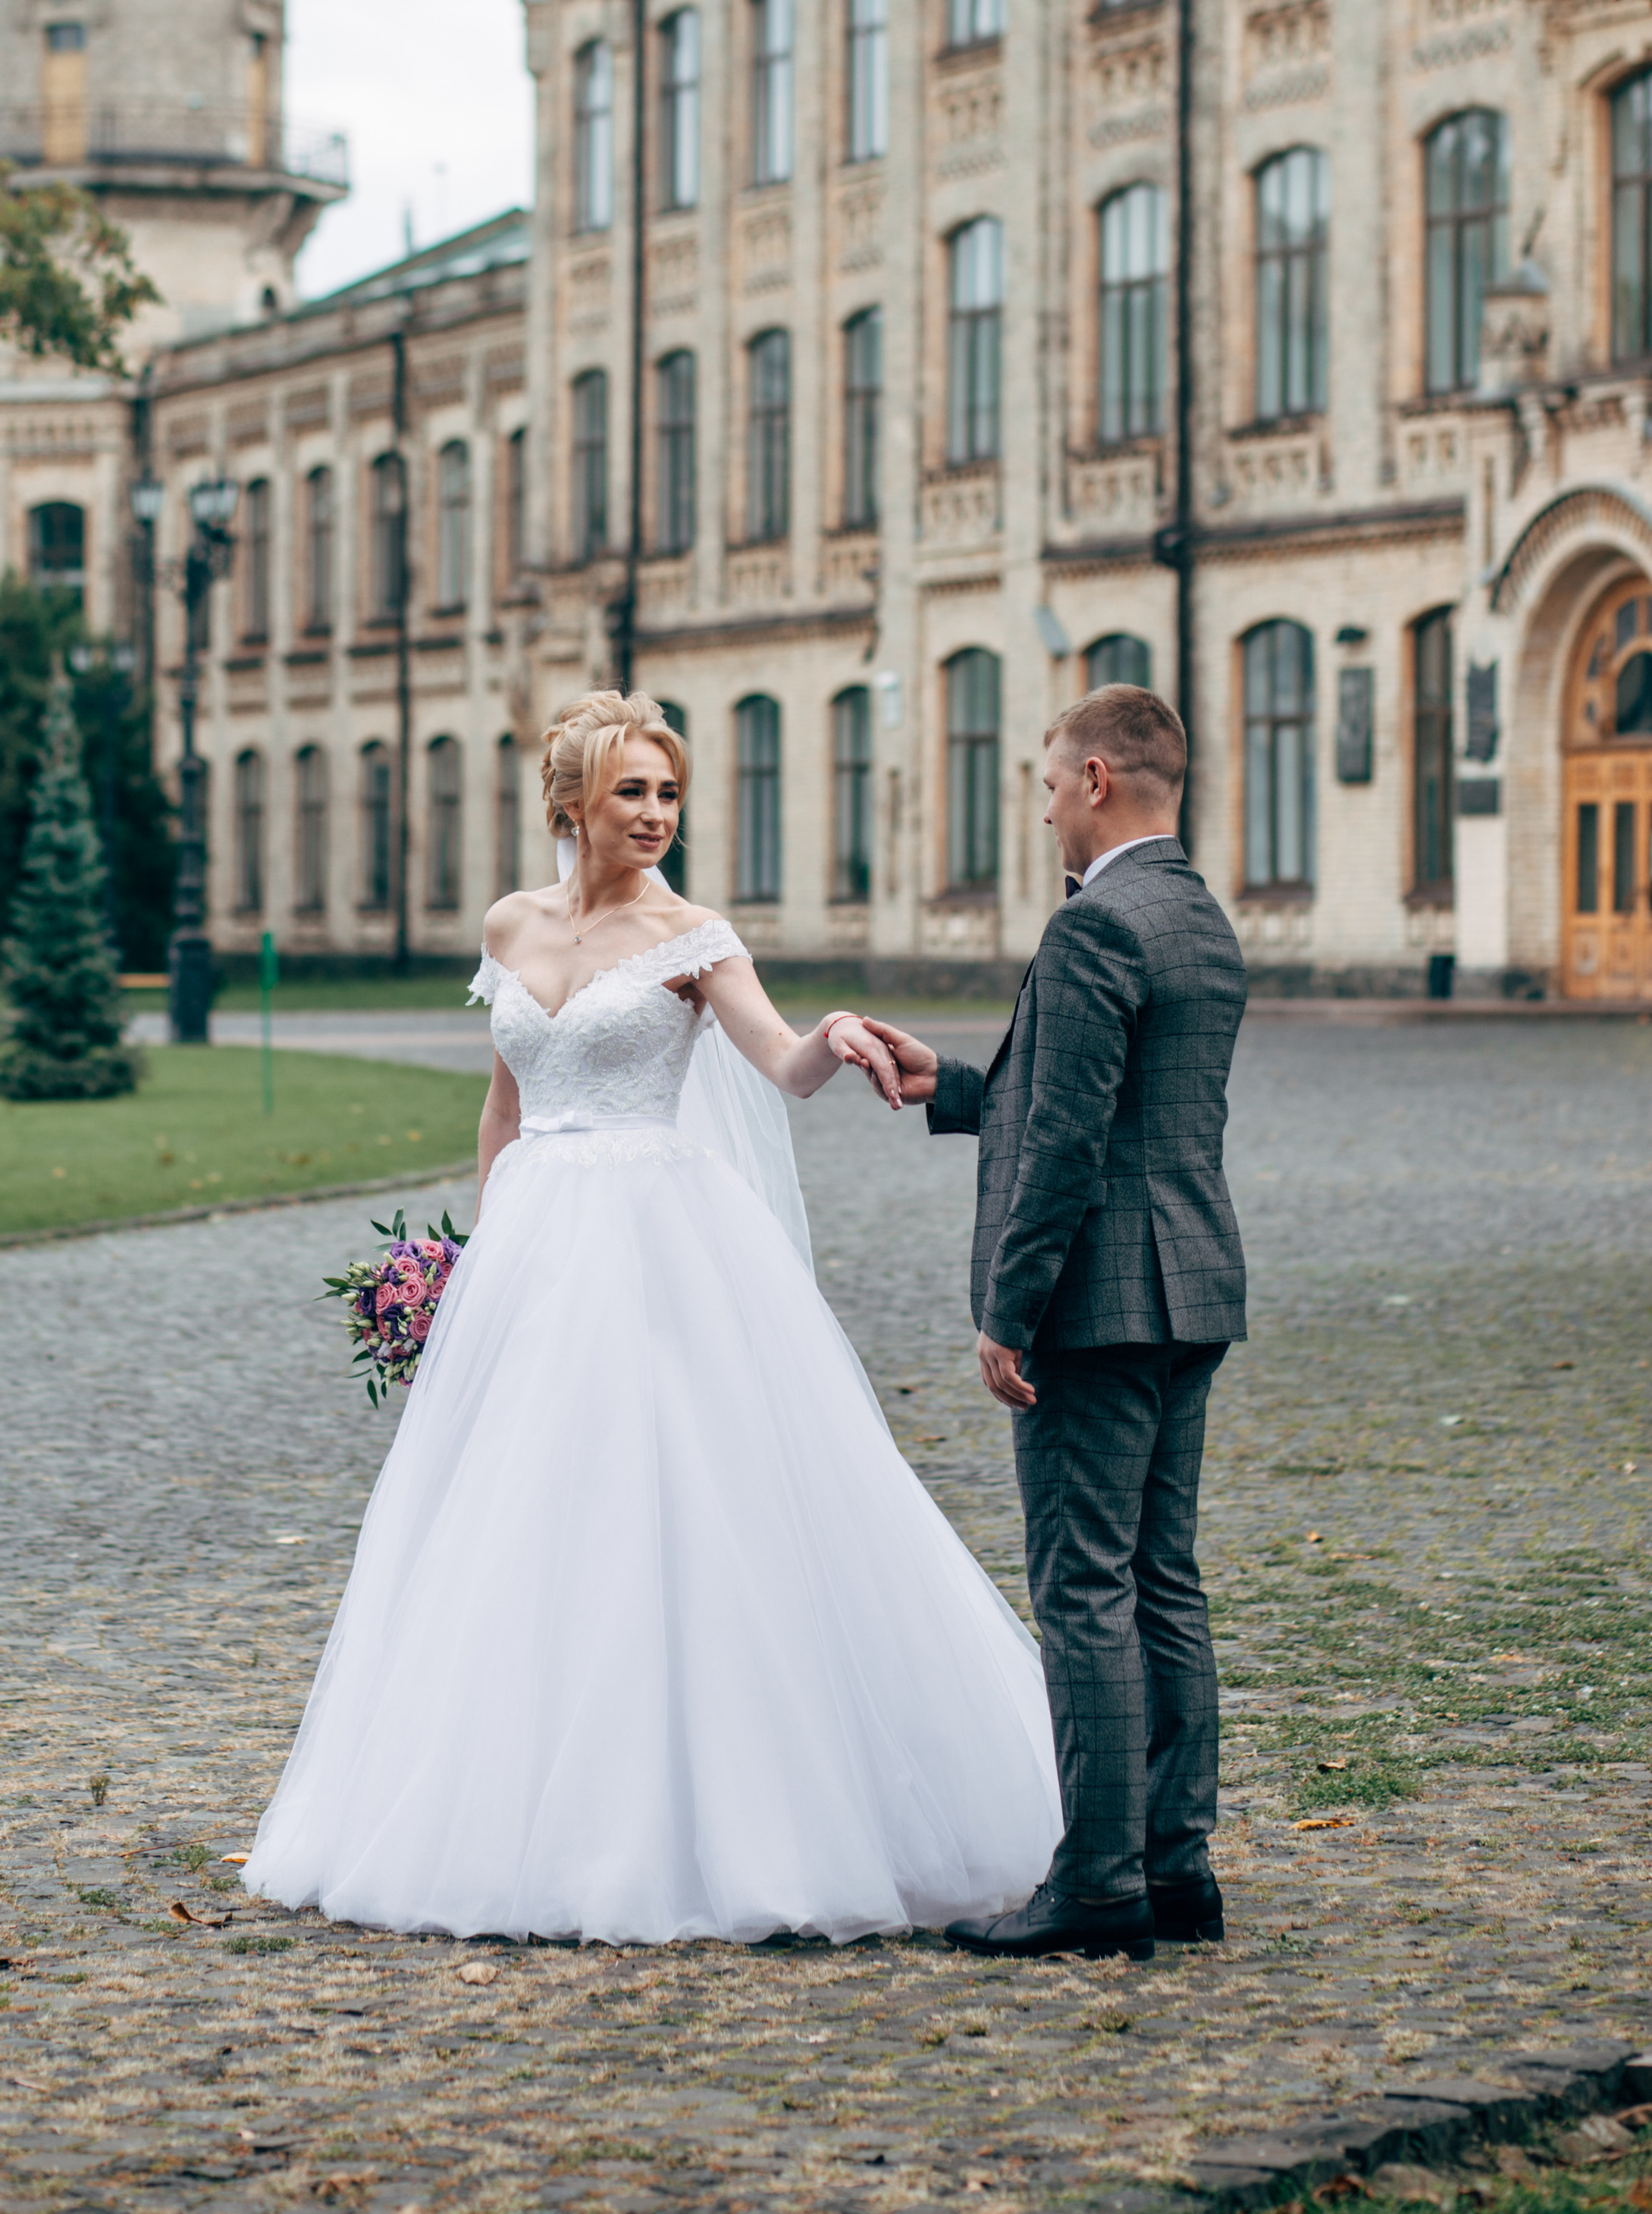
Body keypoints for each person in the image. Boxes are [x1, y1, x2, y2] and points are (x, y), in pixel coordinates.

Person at [244, 690, 1061, 1946]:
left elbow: (774, 1063)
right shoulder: (512, 923)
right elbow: (504, 1110)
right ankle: (499, 1805)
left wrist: (832, 1041)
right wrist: (479, 1257)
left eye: (670, 793)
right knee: (518, 1514)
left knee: (671, 1497)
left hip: (657, 1238)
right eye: (634, 792)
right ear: (573, 800)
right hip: (536, 1243)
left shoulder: (695, 937)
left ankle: (709, 1817)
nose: (657, 815)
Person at [862, 685, 1247, 1964]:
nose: (1039, 811)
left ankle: (1095, 1882)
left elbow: (1075, 1147)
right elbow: (1113, 1107)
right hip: (1190, 1288)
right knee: (1162, 1579)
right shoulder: (1196, 915)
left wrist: (1005, 1311)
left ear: (1094, 778)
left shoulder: (1093, 931)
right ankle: (1175, 1864)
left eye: (1042, 786)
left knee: (1084, 1587)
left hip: (1094, 1306)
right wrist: (957, 1085)